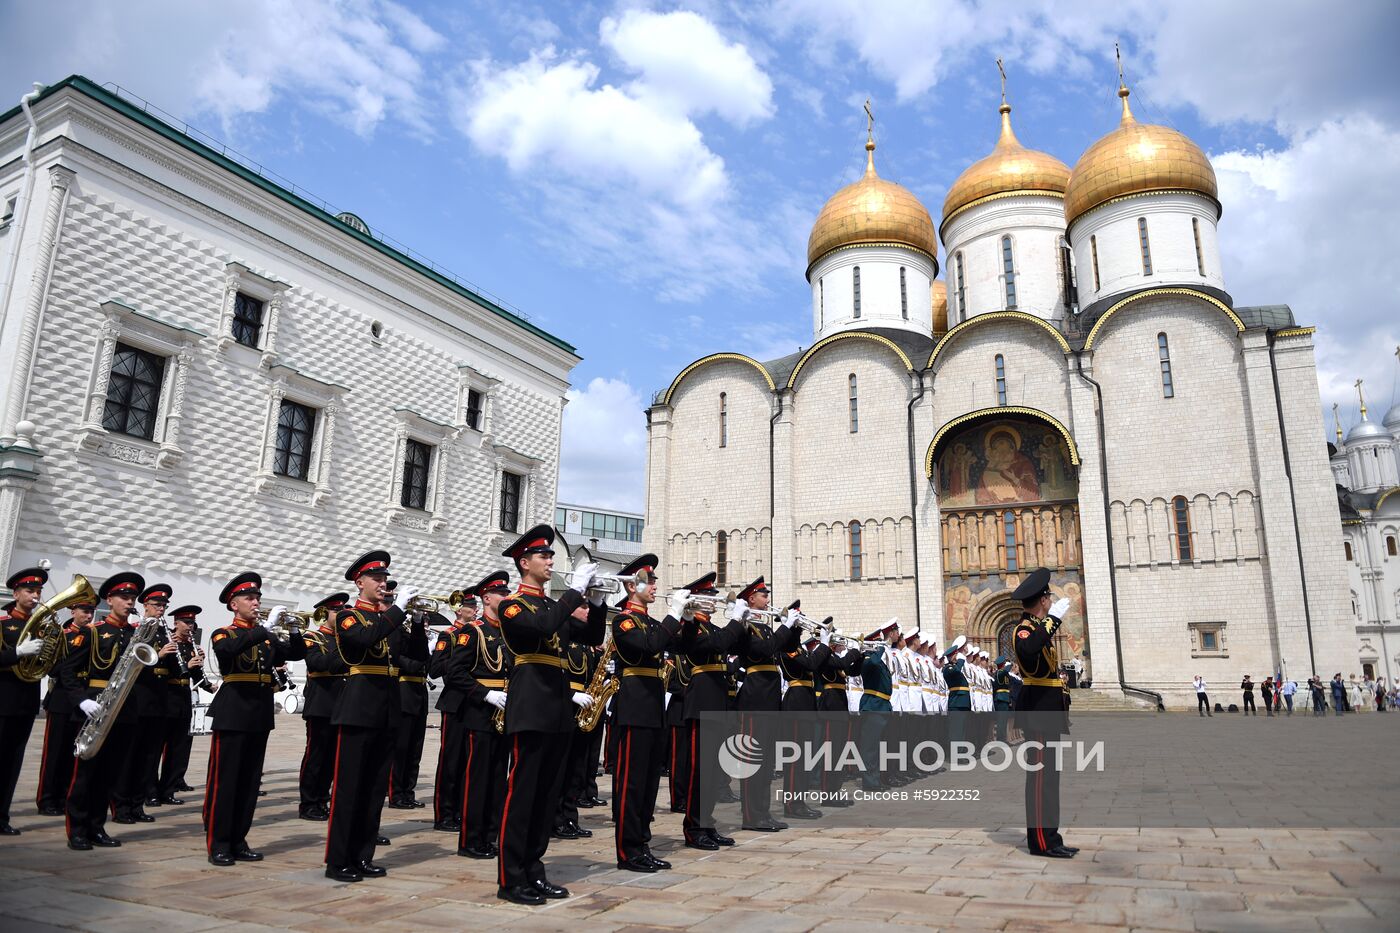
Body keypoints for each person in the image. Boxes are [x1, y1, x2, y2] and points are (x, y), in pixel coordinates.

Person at [494, 525, 608, 905]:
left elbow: (590, 636)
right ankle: (511, 878)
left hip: (557, 705)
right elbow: (542, 629)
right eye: (543, 556)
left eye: (550, 555)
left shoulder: (548, 604)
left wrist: (598, 600)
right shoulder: (515, 605)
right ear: (524, 563)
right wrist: (574, 589)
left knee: (546, 795)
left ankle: (534, 871)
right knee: (524, 793)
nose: (550, 560)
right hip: (531, 703)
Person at [203, 572, 306, 866]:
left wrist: (295, 630)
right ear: (234, 605)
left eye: (257, 597)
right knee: (226, 781)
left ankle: (238, 839)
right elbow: (227, 651)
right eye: (249, 598)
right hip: (233, 712)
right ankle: (218, 842)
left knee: (249, 783)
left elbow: (294, 653)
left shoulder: (264, 637)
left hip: (259, 714)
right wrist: (265, 629)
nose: (256, 601)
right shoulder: (224, 633)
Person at [324, 550, 414, 883]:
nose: (383, 583)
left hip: (387, 707)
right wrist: (398, 611)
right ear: (359, 582)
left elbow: (413, 656)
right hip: (359, 707)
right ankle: (339, 860)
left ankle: (362, 857)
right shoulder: (350, 616)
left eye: (385, 578)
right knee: (350, 788)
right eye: (376, 578)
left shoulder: (387, 618)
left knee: (375, 790)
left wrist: (416, 623)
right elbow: (364, 638)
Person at [608, 555, 683, 872]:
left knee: (650, 783)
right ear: (630, 585)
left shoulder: (652, 622)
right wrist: (674, 613)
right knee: (631, 783)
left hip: (654, 708)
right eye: (648, 580)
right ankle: (627, 851)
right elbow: (650, 645)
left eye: (654, 580)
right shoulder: (623, 621)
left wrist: (687, 618)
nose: (654, 586)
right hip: (634, 707)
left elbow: (677, 644)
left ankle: (642, 844)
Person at [61, 571, 144, 850]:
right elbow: (67, 672)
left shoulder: (136, 633)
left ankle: (97, 826)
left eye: (132, 598)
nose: (129, 602)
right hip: (95, 706)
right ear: (110, 599)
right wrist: (81, 700)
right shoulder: (91, 632)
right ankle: (77, 830)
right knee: (85, 772)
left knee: (110, 773)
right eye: (124, 597)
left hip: (125, 708)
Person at [1011, 568, 1078, 859]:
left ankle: (1051, 836)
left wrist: (1049, 623)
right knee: (1040, 780)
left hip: (1048, 711)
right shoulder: (1024, 629)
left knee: (1051, 778)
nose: (1051, 600)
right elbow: (1028, 650)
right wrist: (1052, 621)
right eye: (1048, 596)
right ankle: (1039, 841)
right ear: (1042, 600)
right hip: (1037, 711)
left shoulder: (1038, 628)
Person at [675, 571, 744, 849]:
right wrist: (736, 620)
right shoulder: (691, 626)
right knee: (699, 770)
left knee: (714, 771)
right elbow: (717, 645)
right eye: (709, 597)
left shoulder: (713, 626)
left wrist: (742, 621)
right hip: (701, 701)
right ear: (697, 600)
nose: (714, 601)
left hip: (717, 701)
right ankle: (693, 828)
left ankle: (706, 822)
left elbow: (735, 645)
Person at [449, 572, 512, 859]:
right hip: (480, 711)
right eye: (501, 593)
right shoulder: (472, 631)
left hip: (505, 711)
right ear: (486, 598)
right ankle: (471, 840)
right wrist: (485, 694)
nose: (506, 597)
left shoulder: (509, 632)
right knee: (478, 779)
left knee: (499, 778)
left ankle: (491, 836)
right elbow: (455, 673)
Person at [732, 577, 801, 833]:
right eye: (764, 596)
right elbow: (764, 650)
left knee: (767, 763)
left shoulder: (765, 626)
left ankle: (763, 812)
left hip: (769, 699)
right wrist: (785, 627)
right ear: (751, 598)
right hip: (754, 700)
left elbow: (787, 647)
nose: (768, 600)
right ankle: (751, 816)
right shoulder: (746, 627)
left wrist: (794, 628)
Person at [1, 566, 50, 834]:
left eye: (39, 591)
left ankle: (2, 815)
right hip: (3, 701)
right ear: (16, 592)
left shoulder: (41, 627)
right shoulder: (2, 623)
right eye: (30, 591)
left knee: (12, 763)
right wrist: (17, 652)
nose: (35, 596)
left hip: (26, 702)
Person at [36, 588, 92, 816]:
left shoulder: (93, 635)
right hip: (61, 697)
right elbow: (50, 667)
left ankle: (64, 796)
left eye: (91, 611)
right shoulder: (61, 634)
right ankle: (47, 798)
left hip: (83, 696)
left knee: (74, 752)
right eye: (84, 610)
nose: (88, 615)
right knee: (54, 753)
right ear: (73, 609)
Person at [427, 588, 479, 832]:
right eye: (471, 605)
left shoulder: (478, 633)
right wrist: (460, 658)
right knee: (451, 759)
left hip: (474, 700)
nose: (475, 608)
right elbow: (435, 668)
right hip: (455, 700)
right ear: (460, 610)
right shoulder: (448, 635)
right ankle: (444, 813)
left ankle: (461, 809)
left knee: (469, 761)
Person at [298, 593, 348, 821]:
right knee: (316, 756)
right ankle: (309, 803)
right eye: (336, 611)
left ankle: (322, 800)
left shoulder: (344, 637)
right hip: (321, 703)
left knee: (333, 759)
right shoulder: (313, 636)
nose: (340, 614)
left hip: (342, 702)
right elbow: (317, 663)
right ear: (324, 613)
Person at [778, 619, 832, 821]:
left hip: (805, 702)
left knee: (804, 758)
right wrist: (824, 645)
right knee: (795, 759)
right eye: (797, 627)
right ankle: (792, 804)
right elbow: (811, 664)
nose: (801, 630)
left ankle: (799, 801)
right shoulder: (788, 649)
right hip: (796, 704)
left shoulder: (799, 648)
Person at [155, 605, 205, 804]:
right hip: (167, 697)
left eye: (192, 623)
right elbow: (163, 670)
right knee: (156, 748)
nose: (190, 627)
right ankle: (150, 791)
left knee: (178, 748)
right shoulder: (168, 642)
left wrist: (206, 681)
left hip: (184, 698)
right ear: (176, 623)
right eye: (187, 622)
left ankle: (168, 790)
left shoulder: (191, 646)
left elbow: (194, 675)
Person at [387, 602, 431, 810]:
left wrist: (421, 632)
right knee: (401, 748)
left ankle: (408, 791)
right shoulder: (397, 635)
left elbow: (425, 659)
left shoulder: (416, 636)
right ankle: (396, 793)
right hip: (404, 692)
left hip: (419, 694)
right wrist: (420, 662)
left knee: (415, 749)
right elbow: (403, 660)